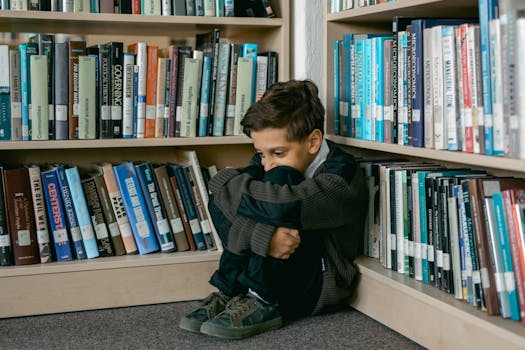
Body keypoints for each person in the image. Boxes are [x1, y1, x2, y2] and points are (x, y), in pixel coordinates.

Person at [179, 79, 368, 339]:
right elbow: (218, 197)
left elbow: (282, 204)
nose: (267, 163)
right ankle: (234, 291)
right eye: (260, 153)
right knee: (257, 197)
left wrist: (228, 183)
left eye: (277, 153)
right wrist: (265, 240)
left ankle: (262, 298)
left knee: (278, 184)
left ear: (313, 142)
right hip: (282, 267)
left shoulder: (341, 174)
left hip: (318, 282)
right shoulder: (271, 159)